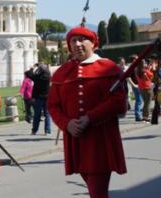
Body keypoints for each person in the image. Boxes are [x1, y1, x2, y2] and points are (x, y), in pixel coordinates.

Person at [47, 26, 127, 198]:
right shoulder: (62, 72)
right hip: (75, 136)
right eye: (73, 41)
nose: (77, 44)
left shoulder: (108, 68)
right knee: (94, 189)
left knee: (97, 190)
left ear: (93, 43)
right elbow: (53, 105)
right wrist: (66, 124)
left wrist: (90, 118)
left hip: (100, 137)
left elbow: (119, 102)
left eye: (82, 39)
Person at [29, 63, 51, 135]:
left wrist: (33, 68)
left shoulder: (37, 77)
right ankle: (47, 130)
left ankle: (34, 130)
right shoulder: (48, 77)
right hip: (47, 97)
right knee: (47, 114)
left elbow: (28, 73)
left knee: (37, 115)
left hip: (38, 97)